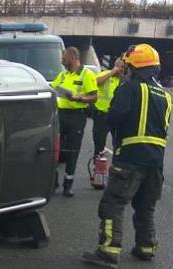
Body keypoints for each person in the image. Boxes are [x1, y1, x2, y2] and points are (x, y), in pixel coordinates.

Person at [82, 44, 171, 268]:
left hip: (131, 158)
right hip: (156, 162)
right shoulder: (165, 95)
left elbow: (114, 117)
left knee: (113, 203)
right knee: (145, 206)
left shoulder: (130, 88)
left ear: (133, 67)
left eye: (127, 66)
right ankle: (146, 247)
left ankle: (108, 252)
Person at [50, 47, 98, 197]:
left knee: (72, 151)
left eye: (64, 57)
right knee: (56, 149)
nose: (62, 60)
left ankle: (68, 185)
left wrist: (79, 98)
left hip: (77, 116)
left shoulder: (87, 74)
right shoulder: (63, 75)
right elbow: (52, 89)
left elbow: (94, 97)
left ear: (73, 57)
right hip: (61, 114)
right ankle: (53, 181)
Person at [92, 58, 125, 156]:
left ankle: (118, 165)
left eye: (123, 67)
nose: (120, 69)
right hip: (102, 115)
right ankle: (97, 166)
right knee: (99, 143)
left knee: (119, 143)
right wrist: (111, 73)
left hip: (116, 117)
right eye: (118, 66)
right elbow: (96, 82)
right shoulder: (105, 74)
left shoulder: (125, 80)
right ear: (114, 66)